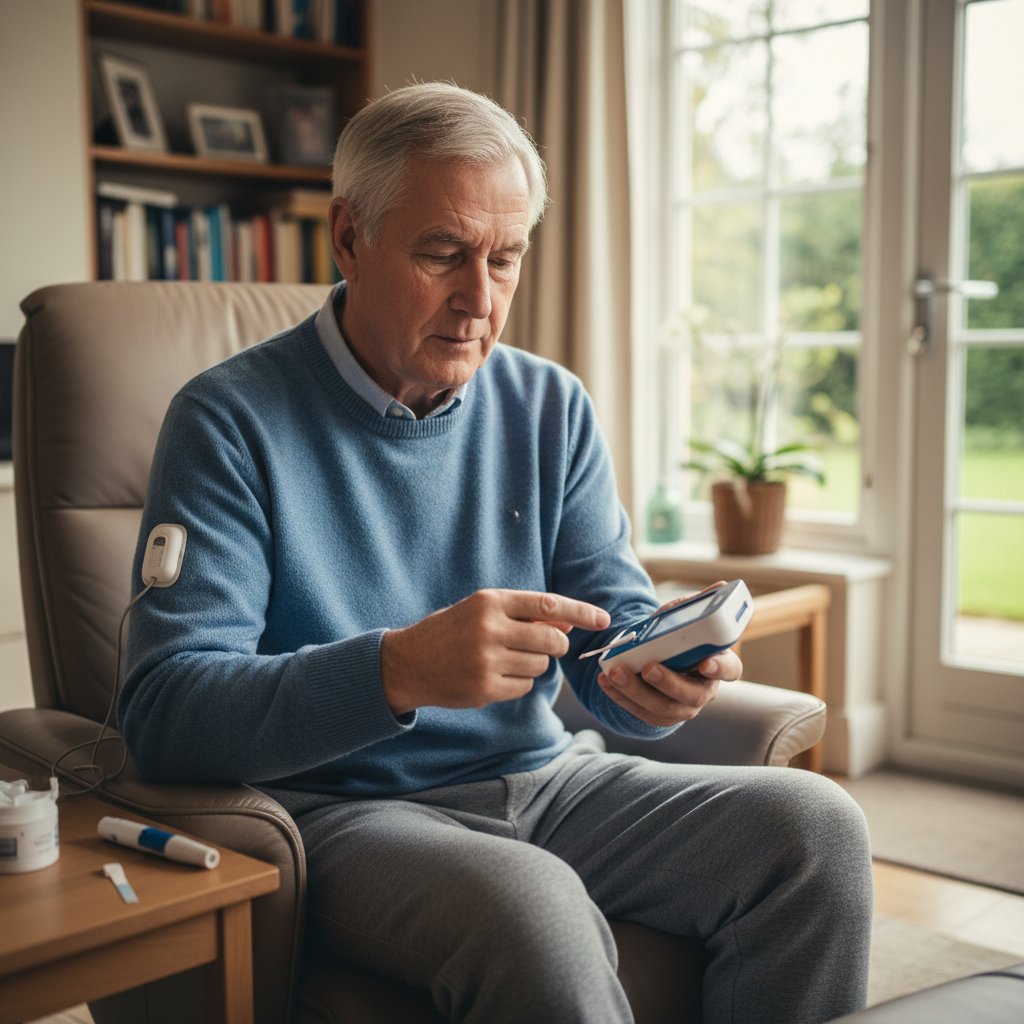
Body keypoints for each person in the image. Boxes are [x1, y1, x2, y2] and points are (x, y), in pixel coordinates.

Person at [122, 81, 872, 1024]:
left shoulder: (550, 405)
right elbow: (165, 710)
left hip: (547, 780)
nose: (480, 300)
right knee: (533, 906)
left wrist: (649, 676)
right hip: (340, 812)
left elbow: (606, 634)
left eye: (505, 259)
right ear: (349, 236)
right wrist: (397, 670)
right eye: (443, 253)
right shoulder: (227, 420)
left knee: (815, 826)